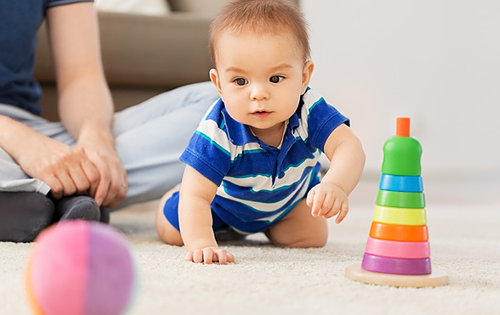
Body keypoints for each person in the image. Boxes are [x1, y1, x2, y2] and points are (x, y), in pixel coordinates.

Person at [155, 0, 366, 264]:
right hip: (223, 207)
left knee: (311, 236)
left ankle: (269, 224)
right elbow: (197, 195)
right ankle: (193, 210)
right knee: (174, 229)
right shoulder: (218, 130)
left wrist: (336, 185)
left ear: (304, 77)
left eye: (276, 78)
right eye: (240, 81)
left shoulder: (310, 111)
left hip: (287, 204)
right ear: (219, 84)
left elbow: (349, 147)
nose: (258, 94)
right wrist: (203, 244)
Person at [0, 1, 219, 242]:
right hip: (13, 138)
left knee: (223, 105)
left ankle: (38, 200)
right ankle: (64, 199)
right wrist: (22, 143)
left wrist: (95, 138)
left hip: (36, 129)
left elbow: (80, 75)